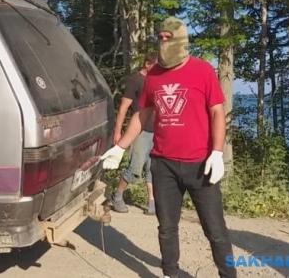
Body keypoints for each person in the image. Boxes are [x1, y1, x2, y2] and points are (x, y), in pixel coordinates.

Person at [100, 17, 236, 278]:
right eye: (160, 37)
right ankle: (170, 273)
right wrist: (120, 147)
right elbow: (142, 114)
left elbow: (217, 112)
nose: (163, 41)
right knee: (166, 228)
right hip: (163, 165)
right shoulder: (153, 75)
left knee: (215, 230)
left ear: (182, 39)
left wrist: (217, 152)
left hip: (200, 164)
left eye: (168, 37)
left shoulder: (202, 70)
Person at [111, 51, 158, 215]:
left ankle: (151, 201)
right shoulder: (135, 80)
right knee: (135, 168)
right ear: (147, 64)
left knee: (152, 168)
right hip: (140, 131)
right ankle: (117, 195)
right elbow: (123, 107)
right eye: (156, 66)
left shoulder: (155, 81)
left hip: (155, 131)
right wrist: (118, 132)